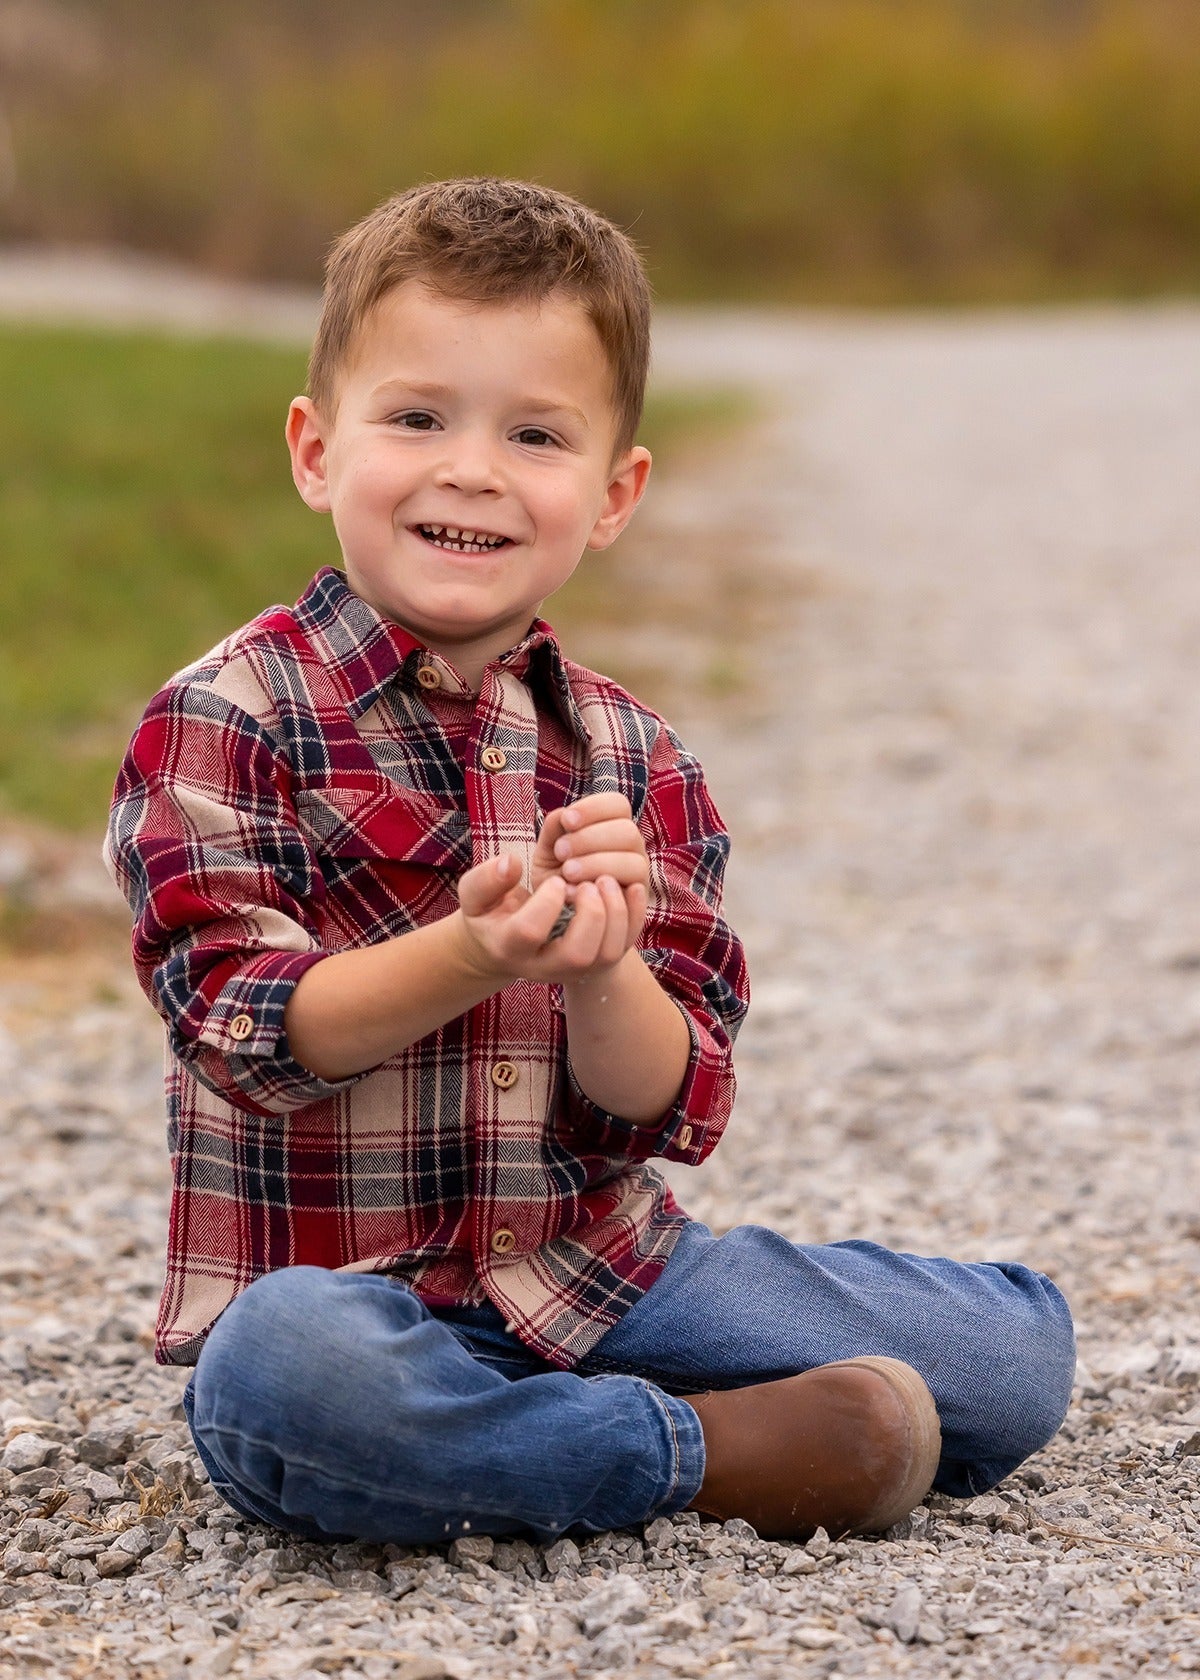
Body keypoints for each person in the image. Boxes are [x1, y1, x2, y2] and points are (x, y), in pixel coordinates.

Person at [105, 177, 1074, 1547]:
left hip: (600, 1272)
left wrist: (605, 968)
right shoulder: (227, 717)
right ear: (317, 449)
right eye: (419, 417)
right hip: (347, 1296)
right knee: (287, 1390)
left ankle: (534, 1430)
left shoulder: (635, 755)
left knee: (1016, 1360)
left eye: (537, 433)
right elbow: (241, 1033)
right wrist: (477, 950)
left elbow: (661, 1107)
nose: (474, 469)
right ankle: (710, 1449)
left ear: (613, 493)